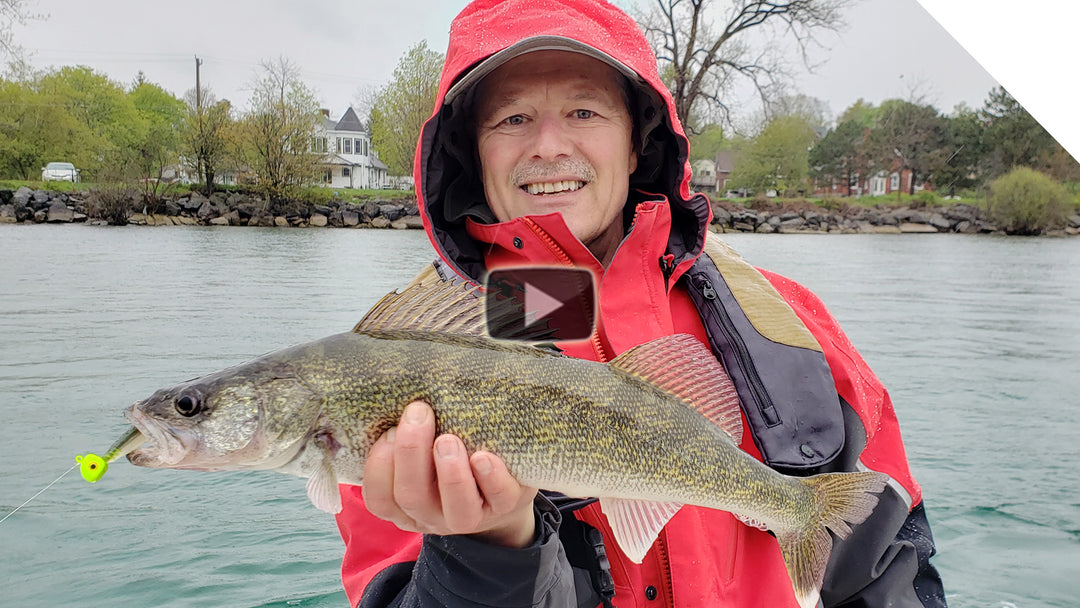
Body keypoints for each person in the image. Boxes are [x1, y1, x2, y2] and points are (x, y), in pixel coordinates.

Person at [335, 0, 947, 606]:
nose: (548, 146)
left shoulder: (789, 322)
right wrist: (484, 553)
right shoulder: (400, 371)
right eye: (512, 119)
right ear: (472, 152)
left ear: (636, 143)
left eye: (583, 110)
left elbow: (895, 563)